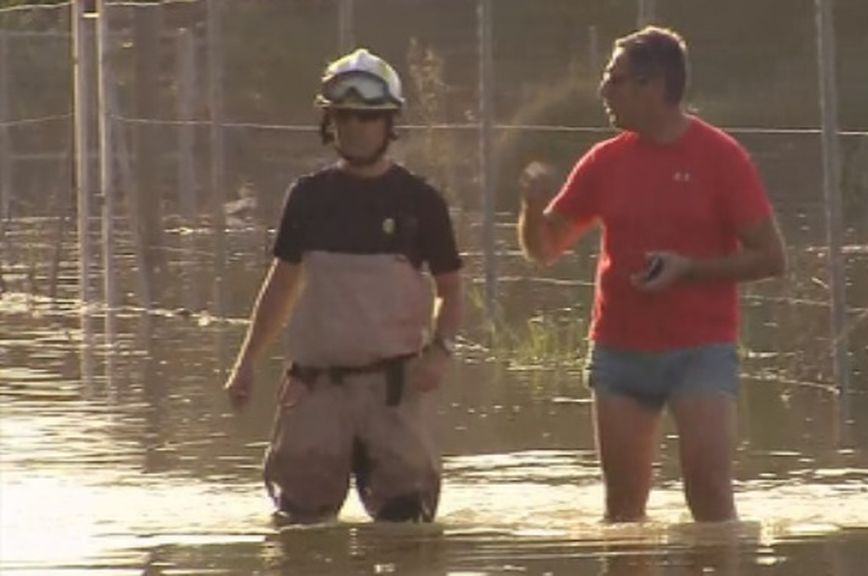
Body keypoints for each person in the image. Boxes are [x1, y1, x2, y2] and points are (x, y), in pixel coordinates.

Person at [518, 26, 786, 523]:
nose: (604, 91)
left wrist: (689, 271)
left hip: (700, 350)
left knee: (709, 499)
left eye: (614, 79)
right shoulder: (604, 161)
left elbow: (772, 257)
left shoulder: (720, 158)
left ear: (655, 85)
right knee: (622, 514)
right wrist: (533, 208)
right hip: (621, 354)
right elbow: (545, 248)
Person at [224, 48, 463, 524]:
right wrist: (246, 362)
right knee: (300, 531)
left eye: (366, 117)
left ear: (389, 123)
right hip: (317, 389)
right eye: (343, 116)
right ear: (328, 123)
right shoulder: (308, 197)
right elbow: (282, 284)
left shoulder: (421, 202)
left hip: (393, 390)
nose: (354, 126)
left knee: (407, 529)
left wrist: (440, 352)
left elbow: (451, 289)